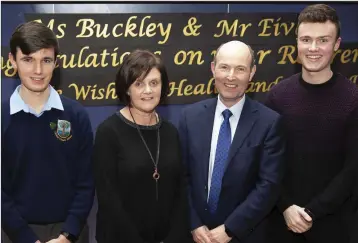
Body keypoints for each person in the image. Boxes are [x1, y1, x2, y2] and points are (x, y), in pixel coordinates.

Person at [265, 4, 358, 243]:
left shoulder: (353, 98)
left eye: (323, 40)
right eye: (306, 39)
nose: (313, 48)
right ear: (296, 42)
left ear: (337, 44)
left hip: (335, 227)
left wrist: (311, 212)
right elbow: (267, 162)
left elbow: (353, 169)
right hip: (281, 223)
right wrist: (286, 206)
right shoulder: (277, 96)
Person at [178, 40, 285, 243]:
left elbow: (268, 185)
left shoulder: (269, 122)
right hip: (196, 235)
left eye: (240, 69)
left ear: (252, 73)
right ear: (213, 68)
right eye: (224, 67)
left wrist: (229, 229)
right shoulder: (188, 117)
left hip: (244, 235)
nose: (231, 76)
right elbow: (181, 177)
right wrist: (194, 223)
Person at [1, 21, 94, 243]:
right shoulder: (2, 117)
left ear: (56, 63)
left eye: (46, 60)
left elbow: (86, 183)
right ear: (12, 61)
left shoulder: (76, 114)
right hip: (16, 234)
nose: (38, 70)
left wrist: (67, 235)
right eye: (28, 60)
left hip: (71, 234)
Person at [93, 49, 190, 243]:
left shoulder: (171, 132)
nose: (148, 90)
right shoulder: (108, 132)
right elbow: (109, 200)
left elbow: (180, 194)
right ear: (127, 89)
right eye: (139, 83)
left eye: (154, 83)